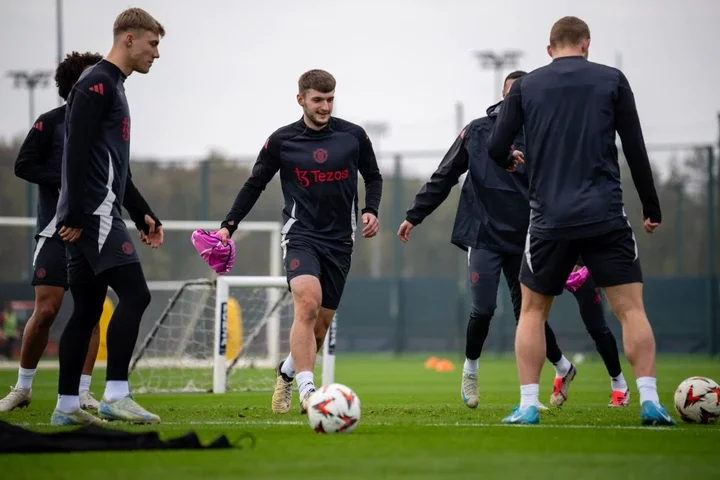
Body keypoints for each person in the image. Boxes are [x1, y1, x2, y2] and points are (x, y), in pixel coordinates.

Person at [398, 71, 629, 411]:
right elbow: (445, 174)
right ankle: (471, 370)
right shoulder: (478, 131)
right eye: (511, 96)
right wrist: (414, 214)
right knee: (483, 309)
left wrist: (574, 244)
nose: (515, 103)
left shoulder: (544, 136)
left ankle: (562, 369)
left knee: (529, 318)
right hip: (483, 233)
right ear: (502, 98)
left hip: (528, 239)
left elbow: (564, 189)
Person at [486, 16, 674, 426]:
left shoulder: (527, 85)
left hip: (549, 218)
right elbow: (635, 148)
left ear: (549, 48)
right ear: (586, 44)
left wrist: (507, 158)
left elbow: (497, 144)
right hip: (605, 214)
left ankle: (528, 406)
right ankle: (649, 402)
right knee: (630, 310)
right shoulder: (612, 80)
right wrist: (651, 206)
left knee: (533, 311)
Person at [217, 69, 383, 415]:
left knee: (319, 328)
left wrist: (370, 209)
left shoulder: (353, 137)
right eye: (318, 100)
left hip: (340, 241)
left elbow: (374, 175)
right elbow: (254, 184)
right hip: (301, 235)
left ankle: (287, 372)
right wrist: (228, 226)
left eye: (330, 99)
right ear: (301, 100)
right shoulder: (282, 141)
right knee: (307, 304)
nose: (325, 106)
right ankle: (310, 392)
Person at [51, 8, 166, 426]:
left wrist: (142, 212)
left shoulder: (113, 85)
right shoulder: (97, 82)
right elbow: (75, 150)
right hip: (94, 214)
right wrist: (79, 211)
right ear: (128, 40)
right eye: (153, 44)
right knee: (136, 295)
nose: (157, 53)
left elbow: (114, 165)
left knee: (86, 309)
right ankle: (116, 393)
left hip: (97, 211)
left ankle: (66, 408)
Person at [1, 52, 105, 414]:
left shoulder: (106, 126)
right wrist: (64, 182)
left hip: (95, 232)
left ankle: (84, 391)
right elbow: (23, 164)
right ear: (77, 84)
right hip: (54, 231)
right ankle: (23, 387)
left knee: (91, 311)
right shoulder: (50, 123)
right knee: (46, 309)